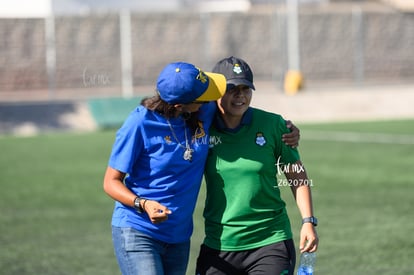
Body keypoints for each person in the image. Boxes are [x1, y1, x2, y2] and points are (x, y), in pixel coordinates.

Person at [103, 61, 300, 275]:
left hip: (178, 236)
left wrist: (285, 128)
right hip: (139, 228)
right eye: (204, 96)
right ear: (181, 105)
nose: (211, 99)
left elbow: (239, 107)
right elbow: (110, 182)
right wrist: (143, 203)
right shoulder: (139, 123)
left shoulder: (202, 111)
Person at [195, 56, 319, 275]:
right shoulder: (200, 127)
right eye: (232, 89)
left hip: (270, 242)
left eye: (246, 88)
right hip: (219, 244)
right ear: (216, 92)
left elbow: (297, 176)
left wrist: (308, 221)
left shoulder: (274, 125)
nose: (240, 95)